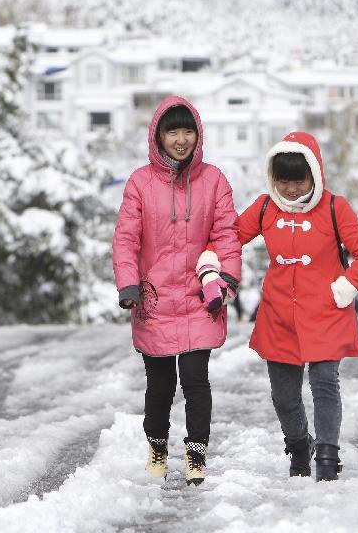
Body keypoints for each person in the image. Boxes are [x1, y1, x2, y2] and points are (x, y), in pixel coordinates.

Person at [112, 96, 241, 486]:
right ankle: (157, 449)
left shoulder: (214, 179)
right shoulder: (140, 182)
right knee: (160, 385)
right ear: (159, 136)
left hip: (200, 299)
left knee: (196, 381)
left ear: (198, 135)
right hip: (153, 301)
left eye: (188, 131)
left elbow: (226, 234)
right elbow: (126, 238)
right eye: (173, 131)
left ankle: (196, 453)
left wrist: (228, 277)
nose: (181, 139)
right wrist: (128, 284)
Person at [238, 131, 358, 481]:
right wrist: (214, 264)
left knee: (324, 384)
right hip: (278, 315)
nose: (290, 189)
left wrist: (345, 287)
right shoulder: (265, 207)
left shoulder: (335, 207)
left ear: (314, 175)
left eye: (298, 180)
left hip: (325, 313)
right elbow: (229, 237)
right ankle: (300, 444)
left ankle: (328, 456)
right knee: (284, 397)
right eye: (283, 180)